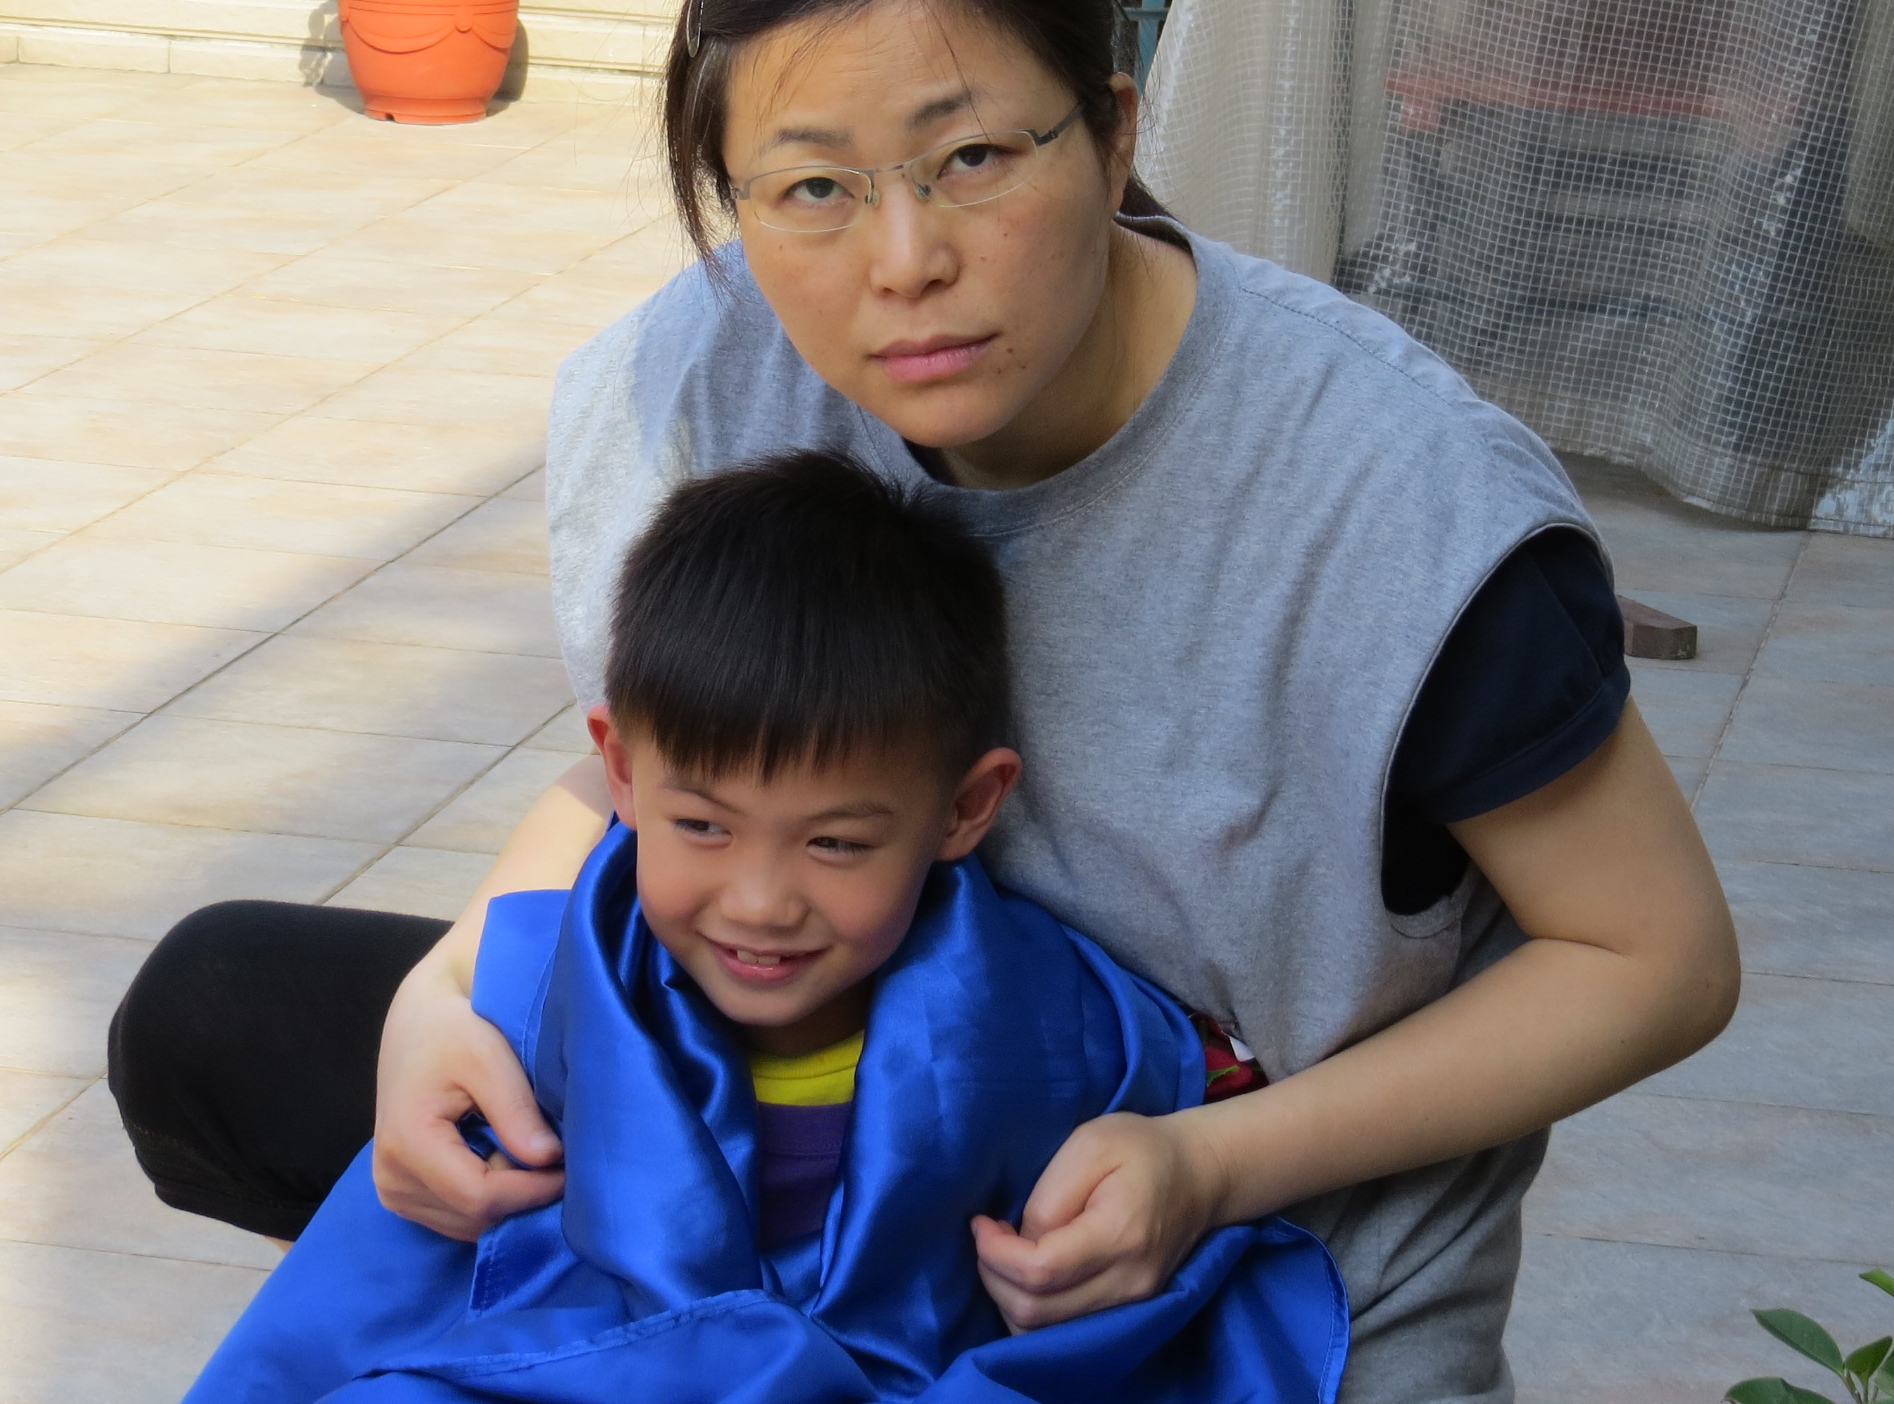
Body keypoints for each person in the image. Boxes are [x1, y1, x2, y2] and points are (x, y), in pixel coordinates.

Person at [109, 0, 1741, 1404]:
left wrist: (1209, 1163)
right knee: (219, 1010)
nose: (903, 262)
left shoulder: (1393, 511)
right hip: (788, 1168)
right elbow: (652, 774)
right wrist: (448, 999)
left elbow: (1652, 958)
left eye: (973, 161)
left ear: (1110, 133)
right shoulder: (701, 382)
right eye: (811, 186)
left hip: (1242, 1248)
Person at [182, 450, 1346, 1402]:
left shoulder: (1045, 1019)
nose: (757, 903)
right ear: (619, 775)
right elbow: (382, 1286)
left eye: (833, 844)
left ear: (965, 807)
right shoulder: (556, 986)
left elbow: (1193, 1127)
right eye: (701, 826)